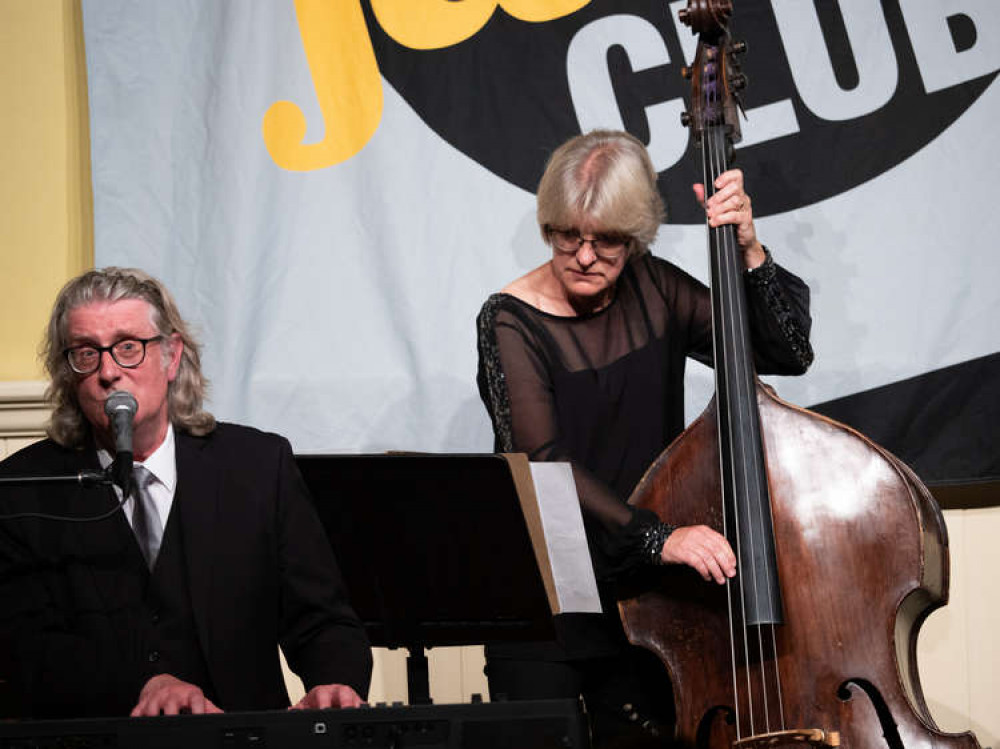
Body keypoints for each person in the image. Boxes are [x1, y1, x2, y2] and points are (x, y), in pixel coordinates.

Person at [476, 130, 813, 746]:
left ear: (635, 238)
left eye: (604, 240)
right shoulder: (509, 318)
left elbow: (784, 352)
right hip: (550, 600)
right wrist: (660, 537)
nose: (582, 255)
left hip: (645, 601)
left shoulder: (657, 289)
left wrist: (749, 248)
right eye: (565, 235)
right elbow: (544, 464)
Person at [0, 267, 372, 719]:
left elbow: (323, 621)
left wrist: (334, 684)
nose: (109, 371)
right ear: (68, 372)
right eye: (86, 353)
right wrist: (144, 684)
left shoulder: (256, 466)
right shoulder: (23, 490)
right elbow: (22, 649)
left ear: (171, 356)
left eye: (128, 347)